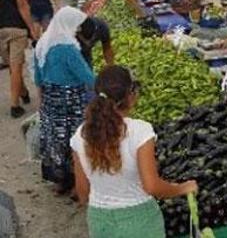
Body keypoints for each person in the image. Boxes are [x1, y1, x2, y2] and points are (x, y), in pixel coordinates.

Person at [72, 65, 197, 238]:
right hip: (140, 222)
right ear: (131, 96)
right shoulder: (140, 132)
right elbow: (152, 186)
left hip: (99, 221)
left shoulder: (81, 134)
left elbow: (82, 191)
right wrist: (182, 188)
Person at [33, 7, 95, 194]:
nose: (77, 32)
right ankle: (78, 186)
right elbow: (87, 77)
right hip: (71, 101)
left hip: (50, 99)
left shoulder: (42, 44)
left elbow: (37, 78)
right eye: (76, 27)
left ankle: (60, 182)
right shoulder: (68, 49)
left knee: (54, 138)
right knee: (75, 140)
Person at [1, 0, 38, 117]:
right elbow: (22, 6)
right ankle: (15, 106)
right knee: (15, 68)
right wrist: (31, 28)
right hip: (16, 28)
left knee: (11, 66)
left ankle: (23, 94)